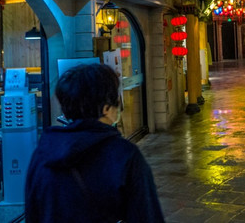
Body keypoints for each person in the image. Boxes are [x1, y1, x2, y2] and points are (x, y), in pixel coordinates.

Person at [25, 63, 165, 222]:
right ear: (106, 108)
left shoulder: (43, 153)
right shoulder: (124, 156)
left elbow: (32, 214)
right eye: (117, 97)